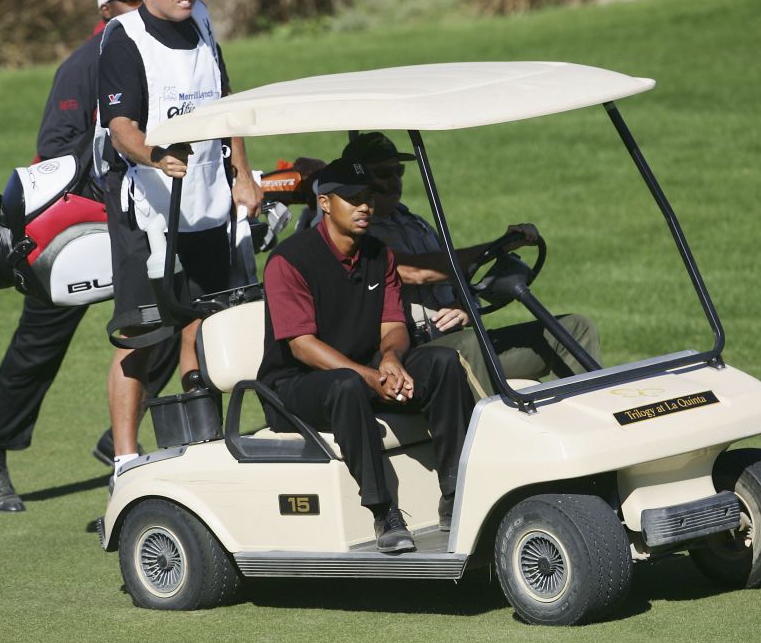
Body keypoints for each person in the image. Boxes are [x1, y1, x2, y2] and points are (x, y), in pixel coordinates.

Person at [0, 0, 179, 514]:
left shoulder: (151, 55)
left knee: (165, 325)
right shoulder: (84, 64)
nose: (140, 6)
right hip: (69, 228)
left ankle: (119, 437)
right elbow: (56, 146)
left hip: (136, 221)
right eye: (130, 0)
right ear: (107, 10)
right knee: (38, 349)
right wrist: (125, 139)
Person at [94, 0, 263, 476]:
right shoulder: (124, 37)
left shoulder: (203, 21)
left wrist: (241, 172)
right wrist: (156, 155)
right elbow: (120, 130)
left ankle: (201, 439)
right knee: (141, 336)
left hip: (207, 197)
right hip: (143, 205)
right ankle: (124, 457)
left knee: (203, 319)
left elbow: (223, 99)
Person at [258, 160, 474, 553]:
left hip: (359, 371)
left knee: (442, 363)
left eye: (369, 198)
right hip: (292, 386)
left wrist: (391, 359)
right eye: (353, 199)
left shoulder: (379, 254)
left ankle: (456, 493)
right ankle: (383, 512)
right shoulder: (288, 261)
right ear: (324, 203)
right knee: (346, 385)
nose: (365, 207)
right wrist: (367, 374)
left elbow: (393, 324)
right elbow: (300, 345)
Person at [346, 132, 602, 399]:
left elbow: (454, 276)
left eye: (398, 171)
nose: (394, 181)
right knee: (469, 346)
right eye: (384, 173)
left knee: (575, 328)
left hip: (459, 339)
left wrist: (466, 305)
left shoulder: (415, 223)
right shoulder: (358, 233)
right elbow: (417, 271)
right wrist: (495, 246)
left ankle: (590, 425)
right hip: (411, 352)